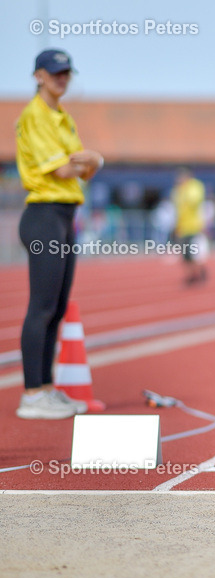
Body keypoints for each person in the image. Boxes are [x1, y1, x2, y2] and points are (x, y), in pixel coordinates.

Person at [15, 49, 103, 419]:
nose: (62, 78)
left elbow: (78, 167)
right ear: (38, 76)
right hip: (44, 215)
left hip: (65, 216)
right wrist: (92, 159)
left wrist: (86, 162)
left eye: (66, 73)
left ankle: (46, 388)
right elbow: (66, 170)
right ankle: (32, 393)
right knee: (43, 305)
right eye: (55, 73)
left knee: (56, 308)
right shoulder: (35, 115)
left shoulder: (62, 116)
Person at [172, 168, 208, 285]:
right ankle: (190, 275)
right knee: (184, 254)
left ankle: (198, 271)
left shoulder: (195, 187)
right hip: (183, 227)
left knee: (194, 252)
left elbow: (194, 202)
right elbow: (178, 210)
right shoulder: (178, 190)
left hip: (194, 226)